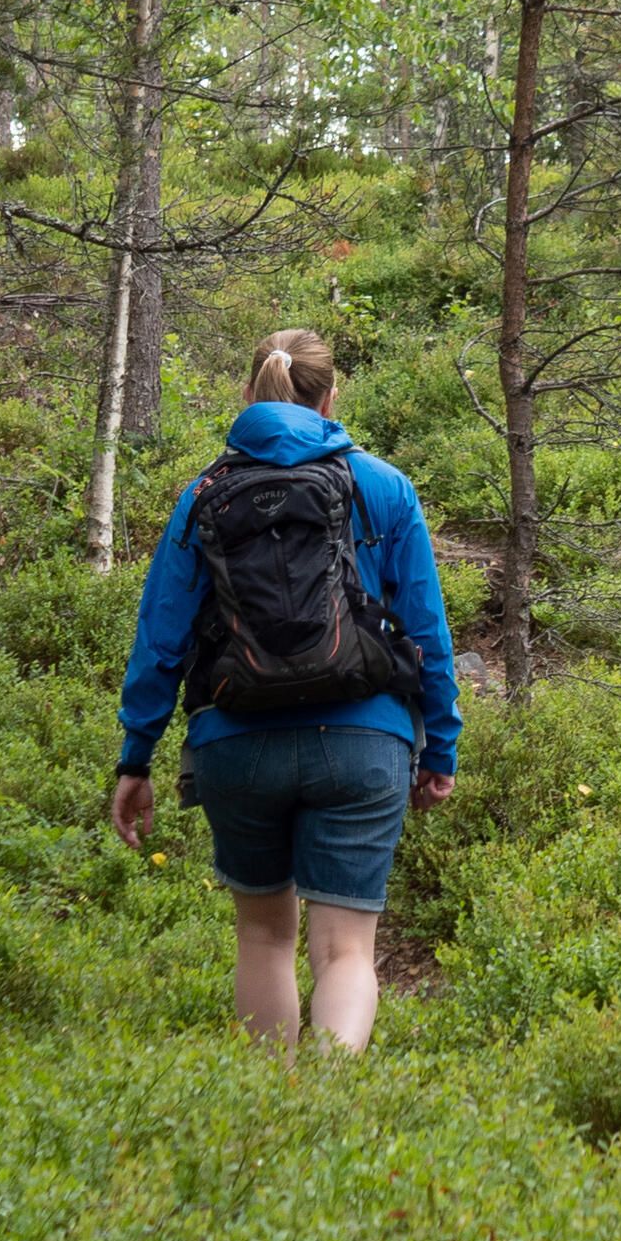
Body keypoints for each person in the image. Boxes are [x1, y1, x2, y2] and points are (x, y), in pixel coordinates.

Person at [110, 329, 461, 1047]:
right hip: (366, 742)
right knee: (346, 951)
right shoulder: (385, 487)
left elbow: (161, 639)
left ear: (249, 395)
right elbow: (427, 632)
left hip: (235, 744)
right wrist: (440, 750)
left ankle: (274, 1115)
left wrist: (135, 757)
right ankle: (326, 1116)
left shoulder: (202, 495)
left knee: (264, 938)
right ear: (332, 398)